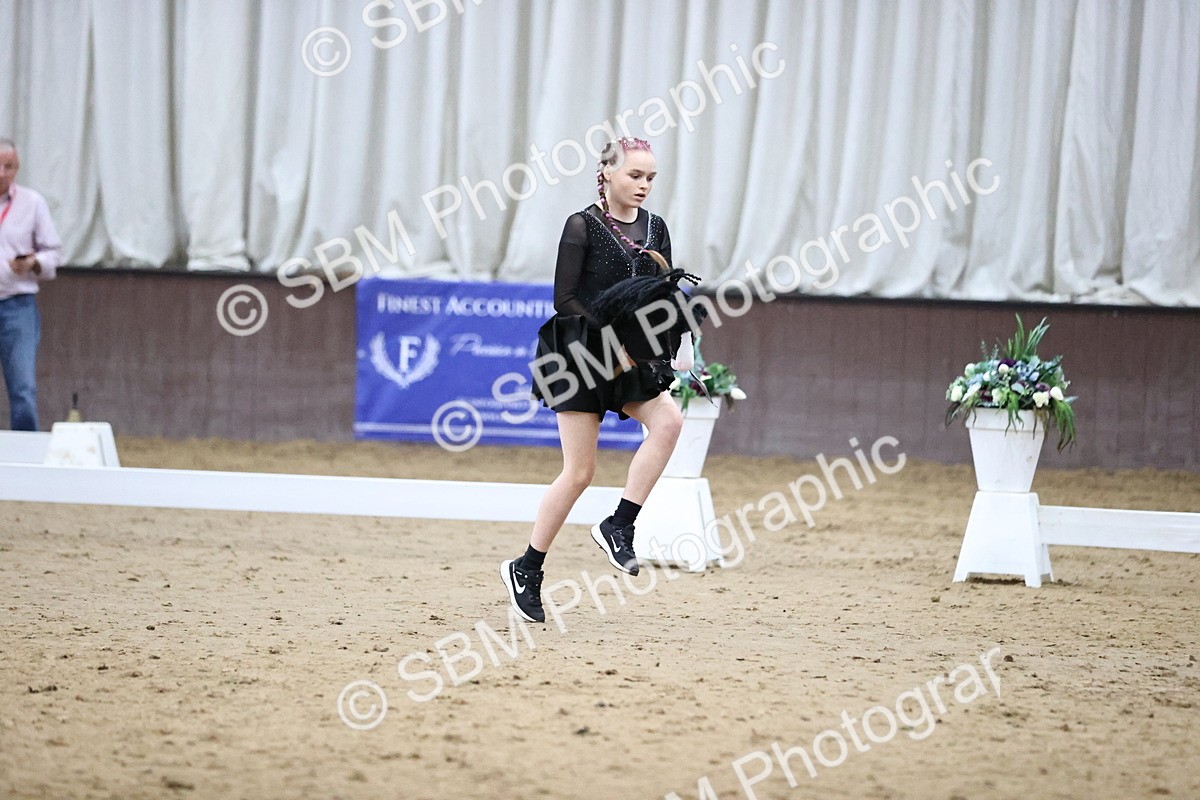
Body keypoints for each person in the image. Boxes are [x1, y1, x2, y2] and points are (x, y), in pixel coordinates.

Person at [500, 137, 699, 624]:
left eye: (650, 177)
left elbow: (662, 293)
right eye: (635, 175)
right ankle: (527, 568)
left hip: (631, 353)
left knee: (669, 422)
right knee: (580, 473)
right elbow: (564, 298)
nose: (644, 185)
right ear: (607, 172)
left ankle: (619, 524)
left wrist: (675, 340)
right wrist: (612, 341)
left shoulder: (656, 228)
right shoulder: (581, 225)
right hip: (581, 352)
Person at [0, 138, 61, 431]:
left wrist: (33, 263)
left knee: (23, 389)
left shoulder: (32, 203)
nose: (1, 173)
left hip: (17, 305)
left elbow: (54, 253)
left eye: (8, 166)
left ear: (18, 168)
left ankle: (26, 451)